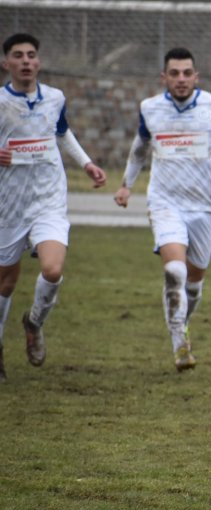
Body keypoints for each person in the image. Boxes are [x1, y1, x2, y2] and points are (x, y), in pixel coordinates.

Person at [114, 47, 211, 372]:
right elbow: (139, 149)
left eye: (187, 73)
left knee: (195, 280)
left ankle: (183, 324)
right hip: (164, 202)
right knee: (175, 270)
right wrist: (126, 185)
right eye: (174, 73)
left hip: (203, 207)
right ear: (164, 77)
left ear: (196, 76)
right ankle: (179, 344)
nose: (181, 79)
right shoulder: (150, 109)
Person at [0, 33, 107, 381]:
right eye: (18, 55)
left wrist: (87, 163)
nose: (26, 61)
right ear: (6, 63)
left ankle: (33, 322)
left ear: (39, 62)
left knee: (52, 270)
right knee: (5, 283)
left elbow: (61, 133)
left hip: (48, 200)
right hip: (8, 204)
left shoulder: (55, 98)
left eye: (31, 55)